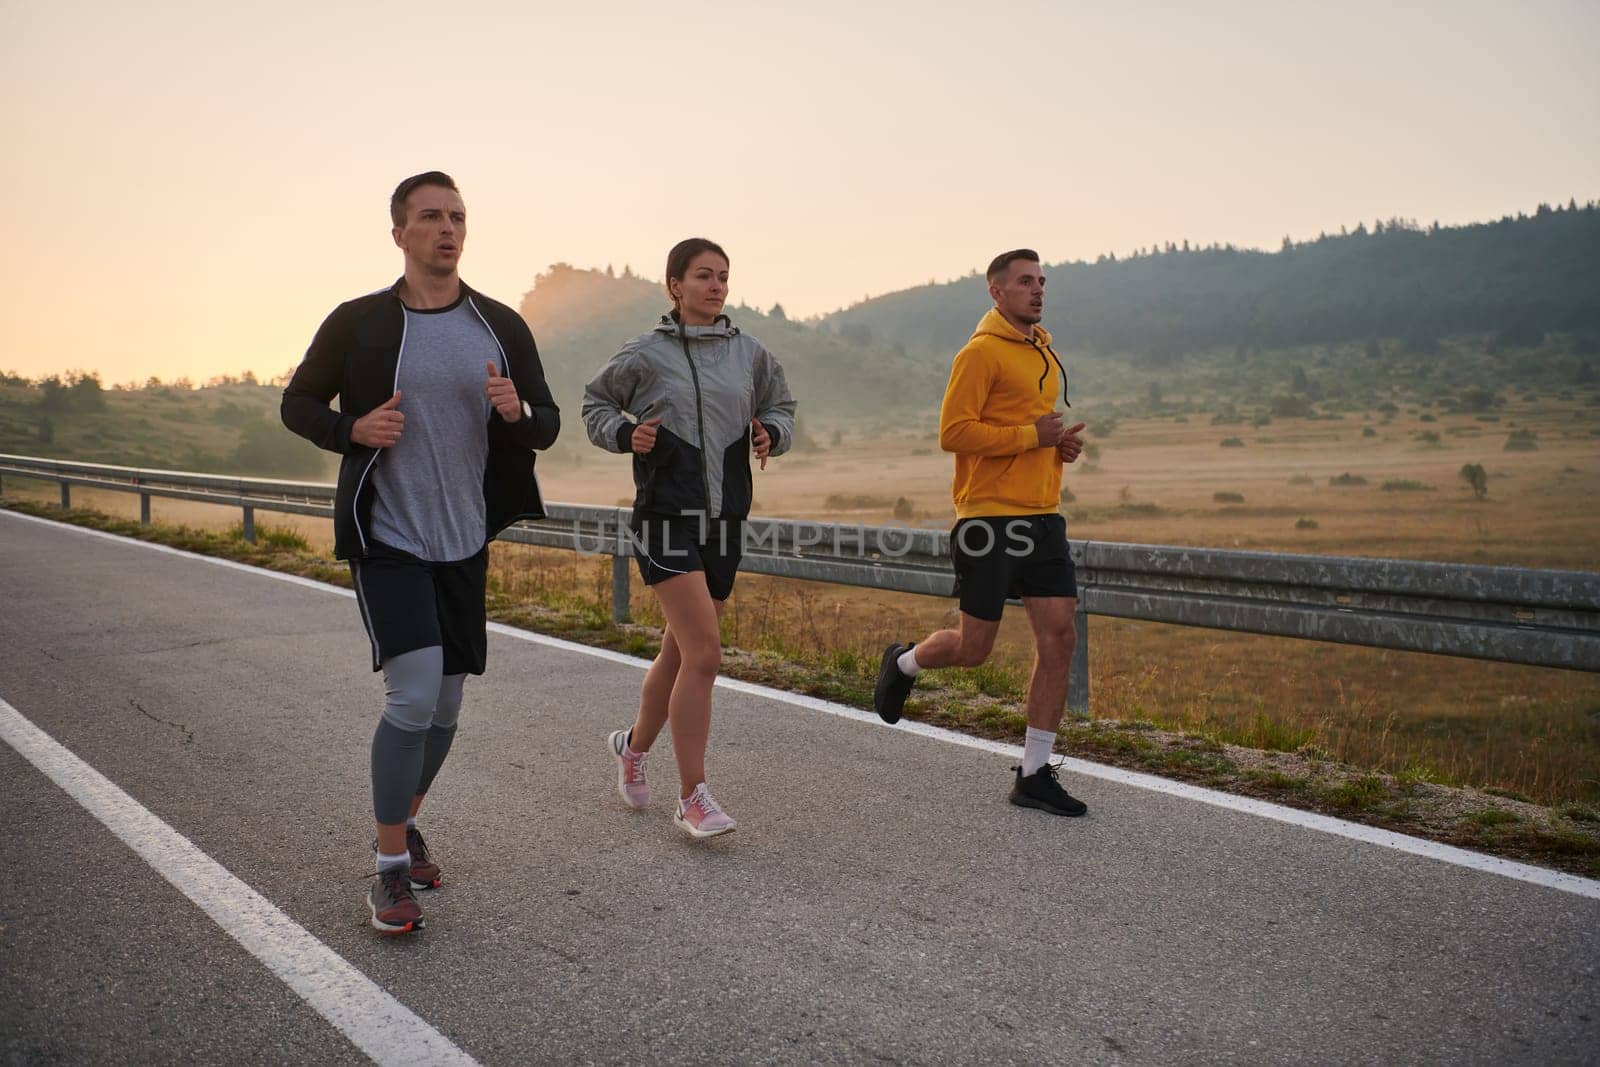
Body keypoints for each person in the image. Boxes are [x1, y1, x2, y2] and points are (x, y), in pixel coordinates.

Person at [281, 171, 560, 933]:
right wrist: (352, 430)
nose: (448, 228)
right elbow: (297, 402)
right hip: (389, 534)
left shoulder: (499, 324)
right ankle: (390, 869)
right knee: (410, 696)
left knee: (445, 706)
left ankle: (402, 823)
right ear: (399, 231)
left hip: (464, 536)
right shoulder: (359, 321)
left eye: (458, 217)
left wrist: (518, 412)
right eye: (431, 217)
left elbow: (547, 420)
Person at [582, 238, 796, 838]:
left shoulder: (750, 353)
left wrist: (772, 433)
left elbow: (781, 405)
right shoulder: (646, 354)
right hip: (665, 517)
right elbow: (596, 403)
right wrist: (626, 437)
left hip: (724, 519)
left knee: (678, 652)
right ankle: (693, 797)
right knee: (705, 653)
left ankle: (632, 748)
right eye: (704, 276)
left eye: (723, 276)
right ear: (675, 284)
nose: (717, 286)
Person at [873, 249, 1089, 816]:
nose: (1037, 290)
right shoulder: (979, 353)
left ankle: (1035, 773)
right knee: (974, 649)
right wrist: (1030, 436)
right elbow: (954, 432)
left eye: (1041, 281)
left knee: (1060, 636)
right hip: (987, 518)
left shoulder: (1043, 348)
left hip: (1043, 515)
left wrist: (1057, 447)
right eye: (1024, 282)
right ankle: (903, 663)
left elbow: (1032, 433)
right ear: (996, 292)